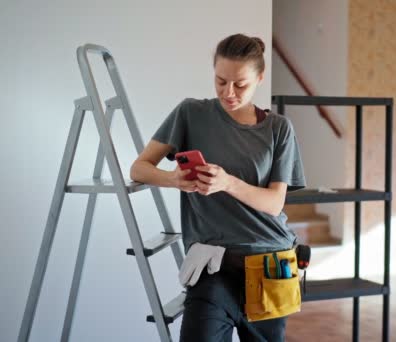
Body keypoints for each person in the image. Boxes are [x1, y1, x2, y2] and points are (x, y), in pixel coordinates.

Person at [130, 33, 306, 342]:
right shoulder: (190, 113)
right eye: (220, 81)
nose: (229, 92)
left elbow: (274, 203)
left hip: (271, 265)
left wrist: (227, 182)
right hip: (213, 264)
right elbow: (139, 168)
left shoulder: (279, 128)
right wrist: (174, 180)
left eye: (240, 84)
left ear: (260, 78)